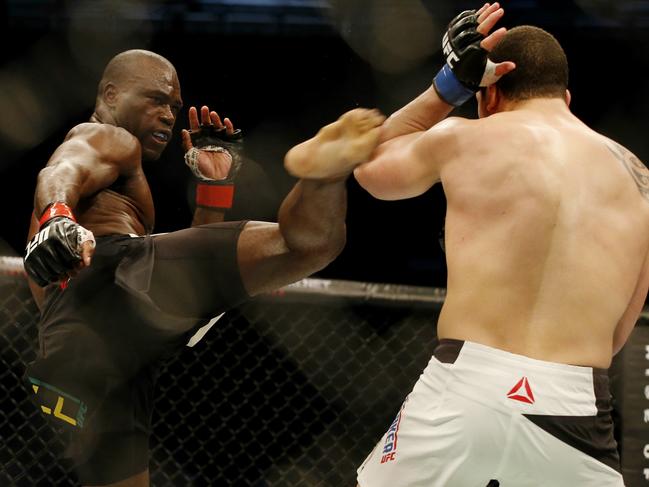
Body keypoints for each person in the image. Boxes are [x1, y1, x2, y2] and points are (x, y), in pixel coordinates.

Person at [288, 2, 646, 485]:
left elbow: (370, 170)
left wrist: (448, 87)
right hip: (577, 402)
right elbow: (621, 328)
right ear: (566, 97)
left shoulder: (464, 136)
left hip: (467, 387)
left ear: (490, 94)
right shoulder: (639, 180)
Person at [22, 49, 385, 486]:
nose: (168, 115)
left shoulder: (116, 191)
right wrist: (57, 216)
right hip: (109, 284)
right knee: (307, 244)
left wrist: (213, 189)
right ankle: (324, 171)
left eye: (174, 107)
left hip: (78, 353)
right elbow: (63, 168)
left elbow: (188, 284)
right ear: (112, 94)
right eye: (156, 99)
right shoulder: (106, 138)